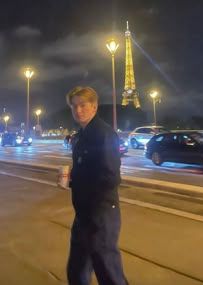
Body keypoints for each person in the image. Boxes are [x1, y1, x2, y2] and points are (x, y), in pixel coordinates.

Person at [66, 86, 129, 285]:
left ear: (94, 107)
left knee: (107, 268)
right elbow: (85, 170)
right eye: (74, 106)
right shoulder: (80, 136)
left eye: (83, 105)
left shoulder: (104, 134)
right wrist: (71, 179)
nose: (78, 110)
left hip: (100, 213)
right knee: (77, 267)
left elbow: (111, 177)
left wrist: (91, 201)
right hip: (84, 211)